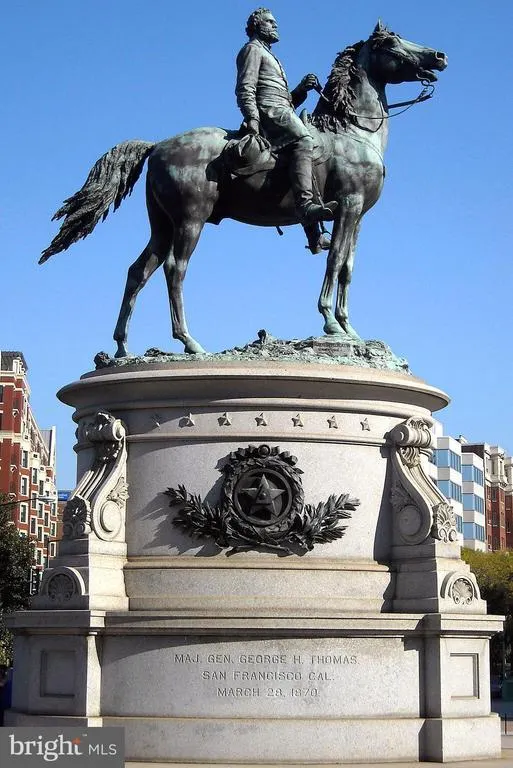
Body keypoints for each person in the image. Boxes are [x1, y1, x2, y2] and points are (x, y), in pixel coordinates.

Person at [236, 8, 337, 252]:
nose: (275, 26)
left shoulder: (269, 54)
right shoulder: (252, 49)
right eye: (270, 22)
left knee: (312, 148)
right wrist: (253, 118)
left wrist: (301, 89)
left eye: (275, 22)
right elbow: (245, 88)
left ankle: (314, 235)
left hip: (281, 110)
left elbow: (285, 101)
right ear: (257, 25)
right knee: (304, 140)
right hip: (268, 112)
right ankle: (305, 207)